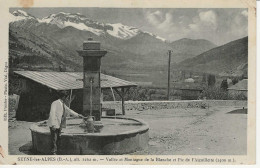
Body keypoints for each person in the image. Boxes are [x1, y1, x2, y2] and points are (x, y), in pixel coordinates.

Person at [47, 90, 84, 155]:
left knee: (58, 138)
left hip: (59, 124)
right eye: (67, 97)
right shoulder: (55, 103)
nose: (67, 99)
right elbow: (52, 113)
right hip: (54, 124)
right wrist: (53, 124)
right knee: (54, 138)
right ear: (64, 97)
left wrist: (78, 115)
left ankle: (56, 151)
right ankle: (53, 152)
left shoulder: (62, 104)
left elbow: (69, 110)